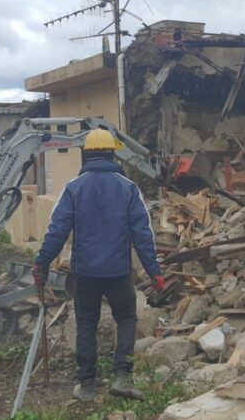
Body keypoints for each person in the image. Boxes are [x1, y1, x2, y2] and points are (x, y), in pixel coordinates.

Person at [32, 128, 164, 402]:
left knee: (86, 324)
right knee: (126, 318)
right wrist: (154, 272)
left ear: (87, 154)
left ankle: (87, 386)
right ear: (113, 153)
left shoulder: (73, 188)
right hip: (118, 273)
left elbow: (56, 230)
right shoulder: (129, 188)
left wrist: (41, 264)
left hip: (85, 274)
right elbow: (143, 234)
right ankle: (122, 377)